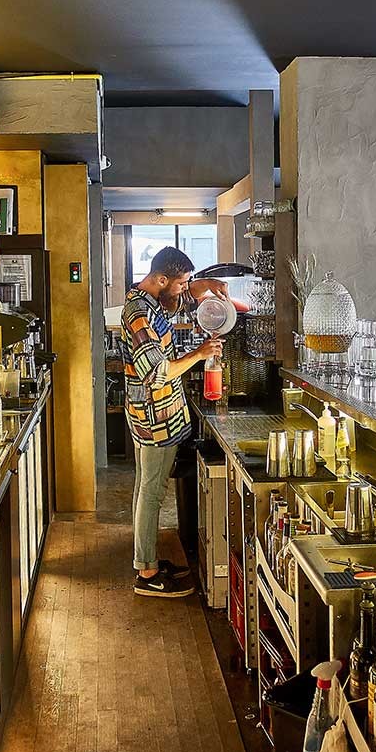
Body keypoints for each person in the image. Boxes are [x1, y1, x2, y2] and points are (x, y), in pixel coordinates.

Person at [121, 246, 226, 597]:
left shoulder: (150, 301)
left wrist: (200, 286)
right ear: (161, 279)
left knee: (145, 489)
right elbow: (157, 371)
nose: (184, 289)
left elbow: (174, 304)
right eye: (181, 283)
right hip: (155, 418)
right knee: (151, 494)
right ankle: (147, 574)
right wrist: (199, 354)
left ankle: (145, 559)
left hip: (157, 413)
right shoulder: (138, 314)